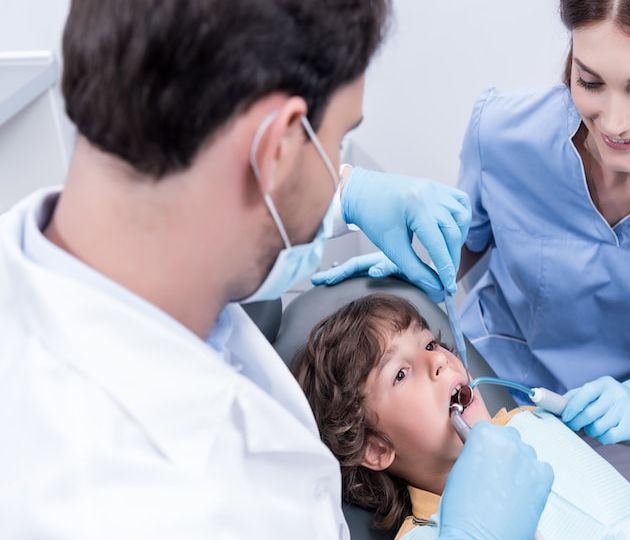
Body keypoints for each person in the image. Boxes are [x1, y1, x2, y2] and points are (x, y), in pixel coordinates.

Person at [0, 0, 552, 538]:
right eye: (335, 142)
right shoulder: (116, 503)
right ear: (277, 149)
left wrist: (343, 193)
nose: (339, 166)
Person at [313, 1, 630, 538]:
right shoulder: (504, 132)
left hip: (626, 413)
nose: (613, 122)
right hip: (498, 388)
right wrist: (418, 263)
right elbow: (467, 246)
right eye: (589, 81)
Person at [295, 293, 630, 540]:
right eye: (400, 373)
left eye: (430, 343)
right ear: (377, 449)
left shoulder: (532, 422)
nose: (437, 361)